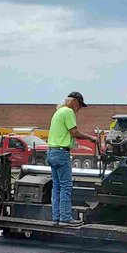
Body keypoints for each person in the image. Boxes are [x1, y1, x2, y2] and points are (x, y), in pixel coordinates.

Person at [47, 91, 99, 226]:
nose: (79, 109)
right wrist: (91, 138)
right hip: (61, 153)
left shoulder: (58, 112)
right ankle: (65, 218)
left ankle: (56, 217)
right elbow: (74, 132)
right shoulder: (68, 112)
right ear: (74, 101)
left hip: (52, 152)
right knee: (66, 186)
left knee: (56, 186)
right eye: (80, 105)